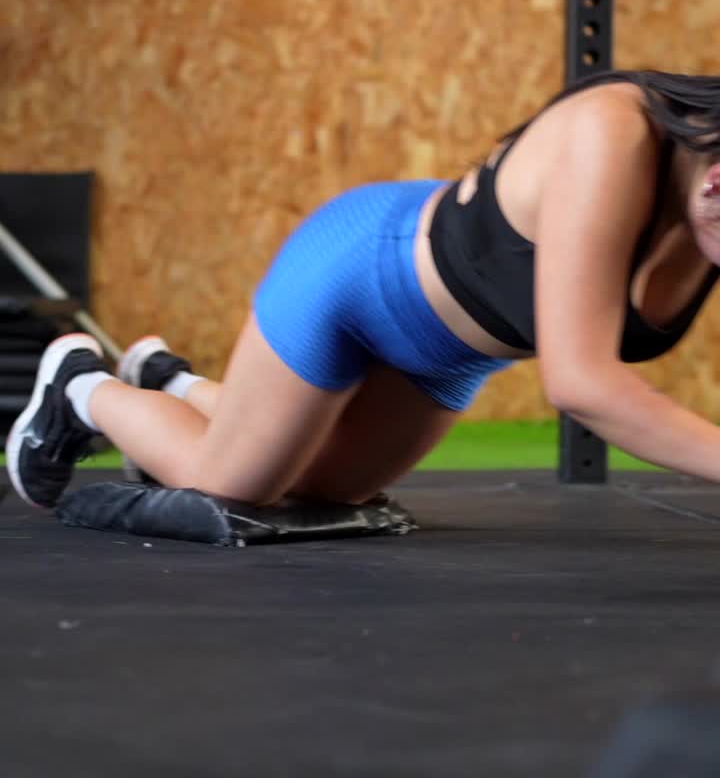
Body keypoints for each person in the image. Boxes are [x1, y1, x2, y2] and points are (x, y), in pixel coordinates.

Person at [8, 67, 720, 511]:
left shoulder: (707, 212)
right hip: (356, 278)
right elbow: (580, 382)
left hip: (449, 357)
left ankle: (172, 382)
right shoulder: (613, 133)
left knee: (324, 491)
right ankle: (82, 388)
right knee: (231, 485)